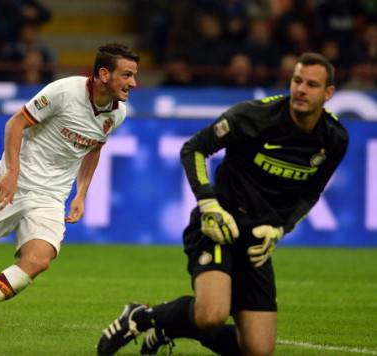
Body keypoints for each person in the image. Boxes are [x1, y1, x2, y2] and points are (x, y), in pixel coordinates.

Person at [96, 52, 348, 355]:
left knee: (258, 350)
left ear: (328, 93)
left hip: (257, 239)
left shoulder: (334, 139)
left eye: (311, 84)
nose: (301, 90)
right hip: (219, 225)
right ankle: (141, 317)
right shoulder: (254, 116)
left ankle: (168, 327)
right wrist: (208, 204)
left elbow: (311, 192)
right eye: (297, 81)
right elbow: (195, 148)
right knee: (211, 314)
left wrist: (280, 229)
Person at [0, 43, 139, 335]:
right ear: (104, 74)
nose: (133, 83)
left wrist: (81, 193)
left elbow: (94, 149)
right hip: (16, 182)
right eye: (127, 75)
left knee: (39, 260)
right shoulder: (64, 92)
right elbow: (15, 124)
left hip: (52, 196)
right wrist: (11, 173)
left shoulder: (116, 114)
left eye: (134, 75)